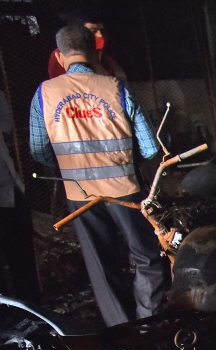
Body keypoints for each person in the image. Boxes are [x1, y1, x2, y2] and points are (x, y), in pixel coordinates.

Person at [30, 25, 168, 327]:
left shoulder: (44, 94)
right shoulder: (116, 88)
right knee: (147, 258)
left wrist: (70, 167)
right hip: (125, 191)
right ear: (96, 51)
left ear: (59, 54)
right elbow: (148, 147)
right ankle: (149, 325)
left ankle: (122, 335)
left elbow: (38, 150)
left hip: (78, 195)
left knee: (102, 267)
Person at [0, 90, 41, 303]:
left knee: (22, 265)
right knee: (22, 265)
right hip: (7, 191)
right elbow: (6, 126)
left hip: (8, 192)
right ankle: (32, 316)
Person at [47, 7, 126, 81]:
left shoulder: (105, 54)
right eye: (93, 31)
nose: (100, 36)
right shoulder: (63, 54)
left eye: (102, 31)